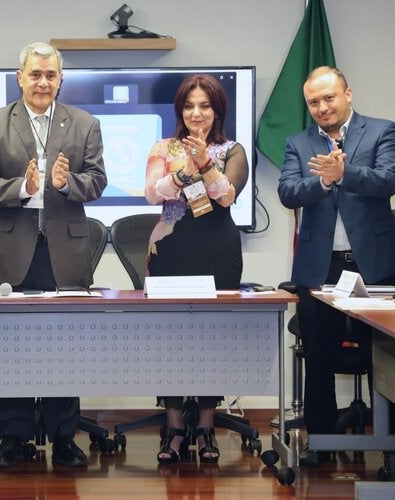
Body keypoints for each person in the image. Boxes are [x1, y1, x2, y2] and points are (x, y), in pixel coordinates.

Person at [0, 42, 107, 468]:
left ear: (60, 79)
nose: (43, 82)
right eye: (35, 74)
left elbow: (98, 182)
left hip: (65, 253)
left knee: (64, 348)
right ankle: (12, 437)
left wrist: (67, 185)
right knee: (11, 348)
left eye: (51, 75)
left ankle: (64, 436)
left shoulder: (84, 124)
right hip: (12, 252)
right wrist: (24, 189)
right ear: (20, 77)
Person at [278, 66, 395, 466]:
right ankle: (322, 443)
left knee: (384, 356)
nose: (322, 107)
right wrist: (322, 182)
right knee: (320, 356)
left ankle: (394, 446)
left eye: (329, 98)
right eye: (314, 102)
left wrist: (344, 173)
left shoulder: (381, 130)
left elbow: (389, 179)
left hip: (374, 265)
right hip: (321, 268)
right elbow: (287, 192)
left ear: (347, 94)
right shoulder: (298, 143)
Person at [143, 74, 249, 464]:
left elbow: (226, 198)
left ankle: (206, 424)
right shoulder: (162, 147)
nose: (196, 113)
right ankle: (172, 425)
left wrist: (206, 161)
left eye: (204, 105)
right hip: (170, 251)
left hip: (218, 252)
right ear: (180, 110)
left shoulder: (233, 150)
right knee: (169, 339)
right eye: (189, 106)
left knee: (211, 338)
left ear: (216, 109)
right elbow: (154, 191)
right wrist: (185, 171)